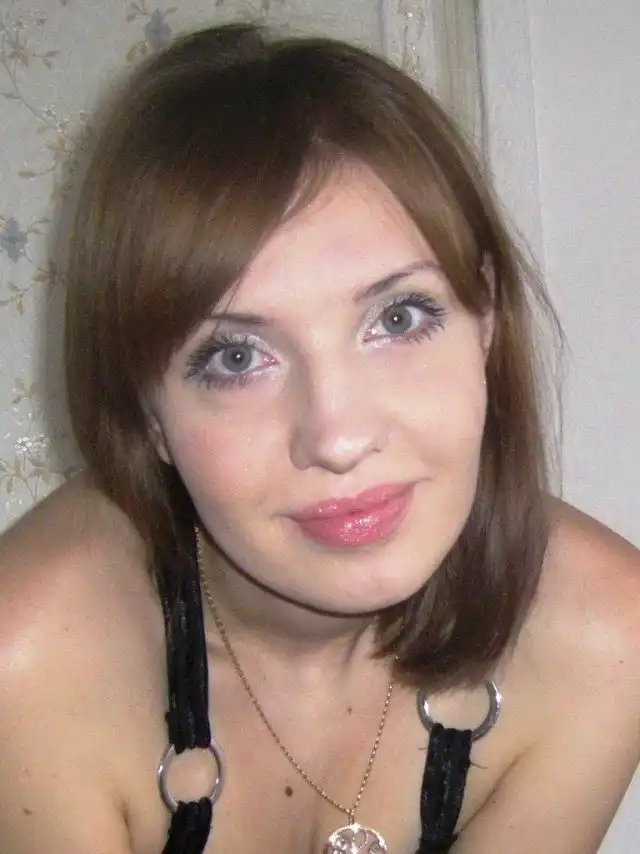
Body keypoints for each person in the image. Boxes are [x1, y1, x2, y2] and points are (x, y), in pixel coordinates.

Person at [0, 21, 638, 854]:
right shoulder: (30, 662)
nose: (338, 437)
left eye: (398, 318)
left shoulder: (604, 635)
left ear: (483, 317)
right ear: (147, 412)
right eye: (236, 357)